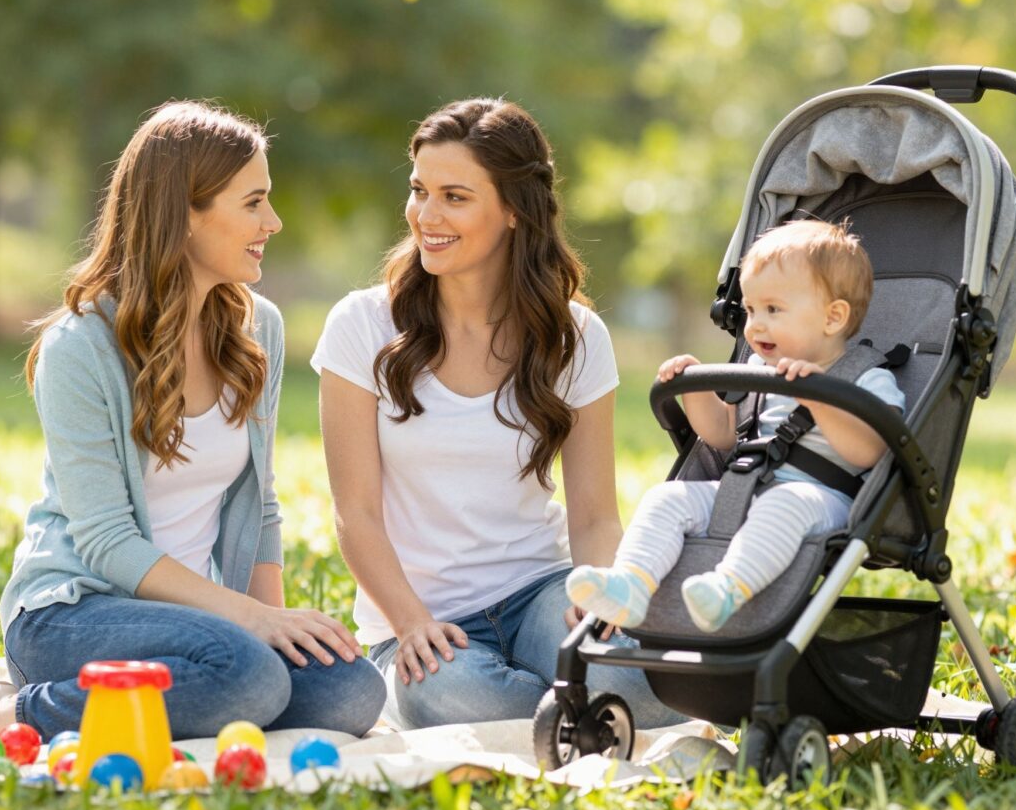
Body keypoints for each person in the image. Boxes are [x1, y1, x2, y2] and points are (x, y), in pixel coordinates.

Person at [0, 101, 385, 741]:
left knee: (349, 690)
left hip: (202, 620)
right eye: (253, 203)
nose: (274, 222)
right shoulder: (82, 346)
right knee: (246, 676)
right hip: (75, 612)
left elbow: (260, 507)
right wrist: (251, 629)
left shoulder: (259, 327)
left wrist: (278, 626)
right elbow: (105, 542)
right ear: (184, 212)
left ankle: (207, 687)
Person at [314, 98, 681, 729]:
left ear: (513, 210)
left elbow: (595, 516)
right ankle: (582, 721)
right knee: (446, 697)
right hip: (419, 618)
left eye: (455, 196)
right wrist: (410, 625)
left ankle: (570, 716)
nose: (426, 216)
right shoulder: (362, 326)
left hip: (539, 591)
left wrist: (601, 602)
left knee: (646, 685)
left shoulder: (578, 336)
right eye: (419, 191)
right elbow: (357, 514)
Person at [566, 219, 906, 633]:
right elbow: (725, 435)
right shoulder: (758, 369)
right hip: (746, 487)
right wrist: (694, 388)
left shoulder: (868, 378)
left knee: (786, 503)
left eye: (773, 310)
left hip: (821, 497)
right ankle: (631, 585)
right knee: (667, 498)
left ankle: (727, 589)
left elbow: (871, 451)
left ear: (833, 318)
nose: (756, 325)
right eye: (750, 310)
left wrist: (820, 398)